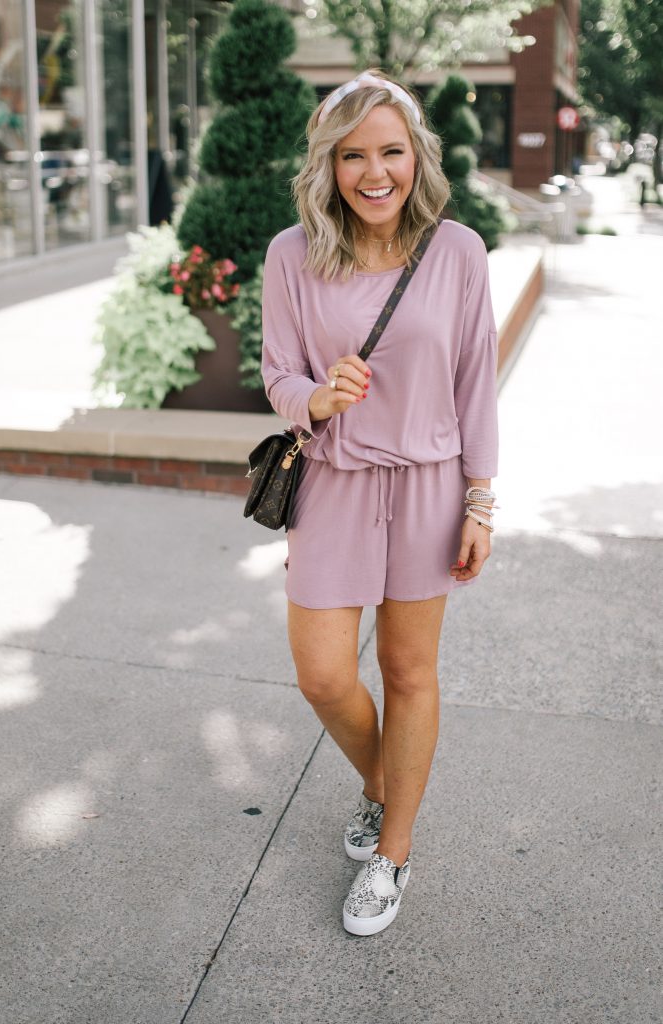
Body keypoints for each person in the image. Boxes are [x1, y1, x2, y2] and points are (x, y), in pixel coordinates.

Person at [260, 70, 499, 936]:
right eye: (352, 155)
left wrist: (479, 499)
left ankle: (392, 852)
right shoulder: (293, 253)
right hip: (333, 479)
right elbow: (277, 371)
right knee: (323, 675)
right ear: (327, 165)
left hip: (431, 483)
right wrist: (317, 398)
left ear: (415, 156)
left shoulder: (458, 251)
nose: (373, 173)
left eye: (390, 151)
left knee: (407, 672)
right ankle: (380, 784)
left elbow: (476, 381)